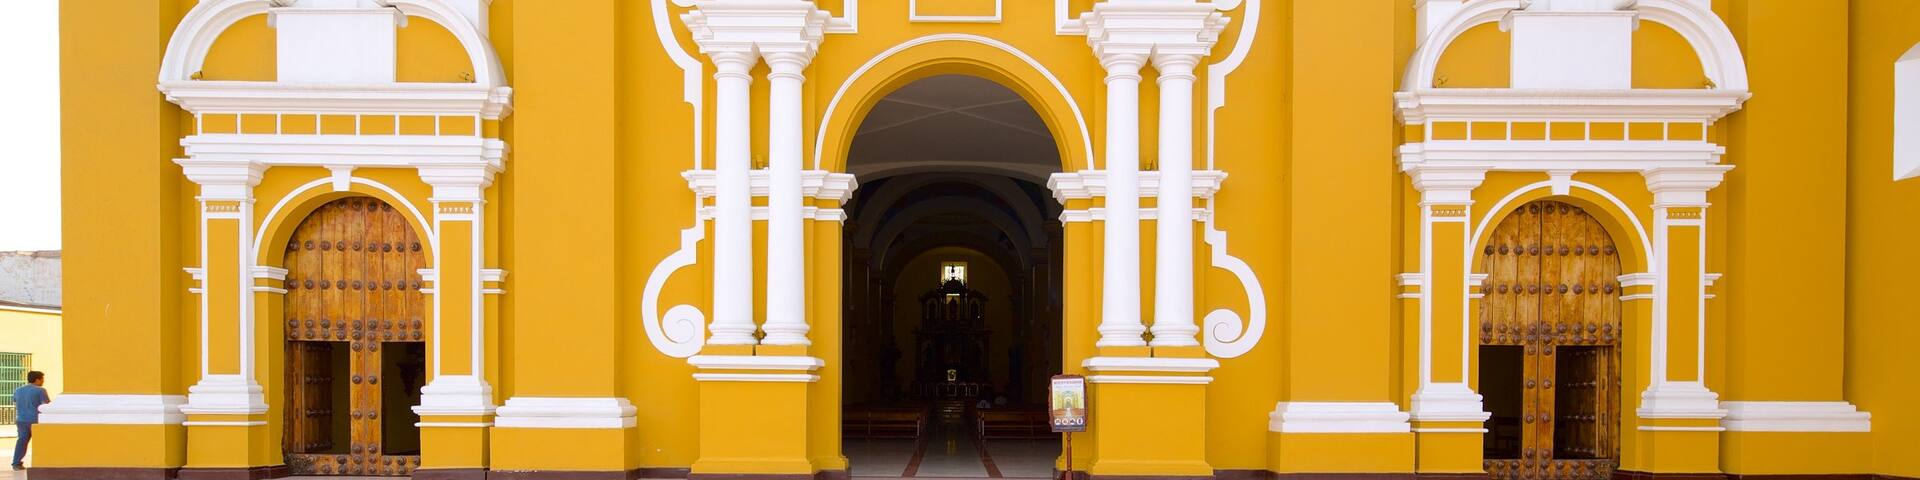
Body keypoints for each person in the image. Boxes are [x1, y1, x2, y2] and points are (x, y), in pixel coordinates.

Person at [12, 370, 49, 470]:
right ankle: (42, 462)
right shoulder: (40, 390)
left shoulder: (18, 390)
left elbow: (15, 403)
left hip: (21, 419)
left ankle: (16, 463)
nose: (43, 381)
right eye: (42, 379)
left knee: (22, 441)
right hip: (35, 420)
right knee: (41, 442)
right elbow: (45, 405)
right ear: (37, 379)